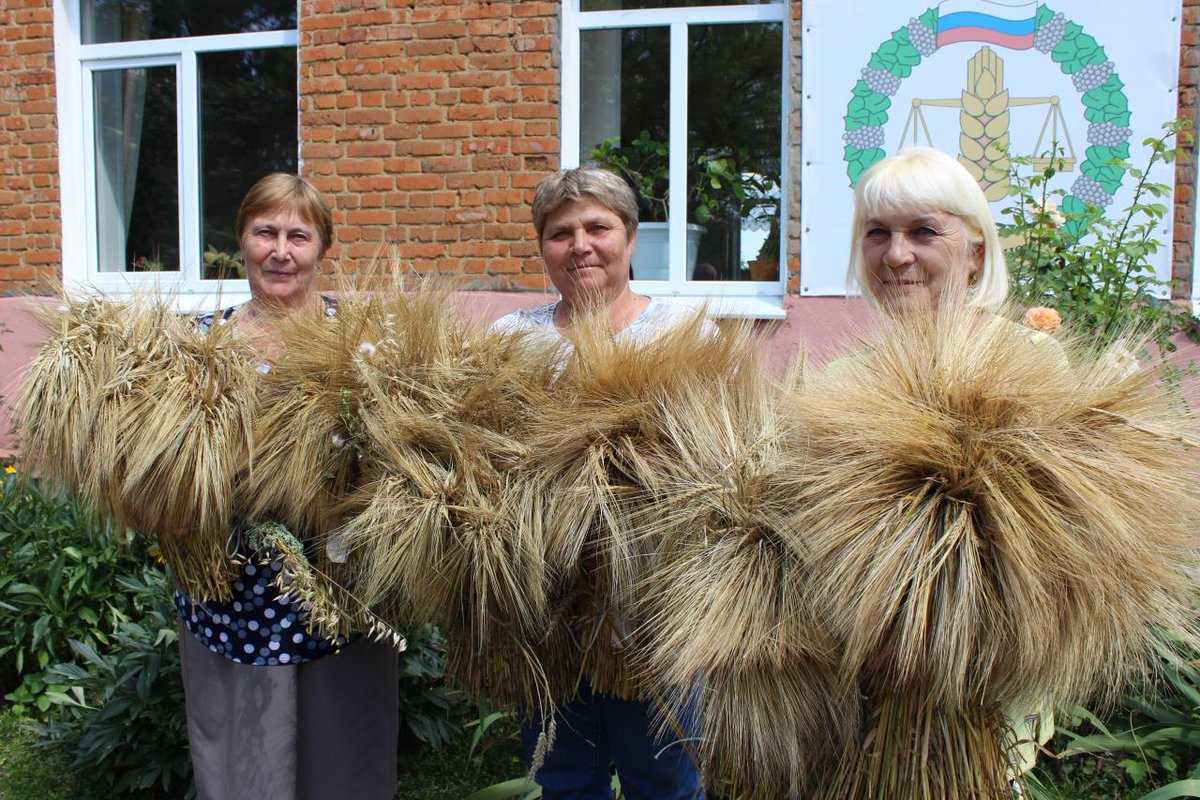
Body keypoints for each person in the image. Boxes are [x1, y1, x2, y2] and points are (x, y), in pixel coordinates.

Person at [174, 173, 399, 800]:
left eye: (298, 235)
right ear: (241, 240)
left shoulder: (368, 341)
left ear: (322, 248)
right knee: (248, 758)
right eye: (264, 232)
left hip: (342, 583)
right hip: (232, 589)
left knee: (346, 747)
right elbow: (155, 466)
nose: (281, 250)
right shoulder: (199, 343)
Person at [493, 166, 707, 800]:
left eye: (598, 227)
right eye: (560, 233)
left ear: (632, 238)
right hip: (546, 602)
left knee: (664, 776)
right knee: (564, 777)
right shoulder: (511, 340)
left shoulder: (684, 333)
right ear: (542, 247)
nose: (579, 245)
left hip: (653, 605)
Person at [843, 145, 1055, 782]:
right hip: (869, 712)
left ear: (977, 254)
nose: (896, 254)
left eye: (924, 231)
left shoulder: (1033, 368)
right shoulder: (842, 379)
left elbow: (1053, 553)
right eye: (877, 234)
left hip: (982, 705)